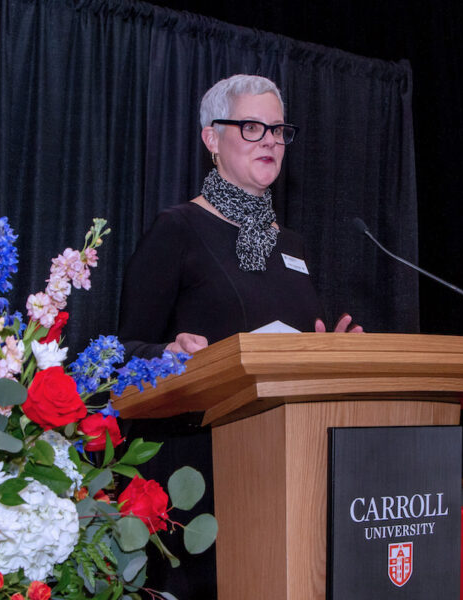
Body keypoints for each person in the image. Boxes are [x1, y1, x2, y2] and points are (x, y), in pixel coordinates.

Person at [116, 74, 362, 599]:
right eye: (252, 127)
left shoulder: (291, 244)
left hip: (288, 465)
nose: (271, 140)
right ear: (211, 138)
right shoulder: (177, 229)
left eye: (278, 129)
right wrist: (168, 352)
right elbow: (121, 355)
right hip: (198, 471)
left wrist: (330, 352)